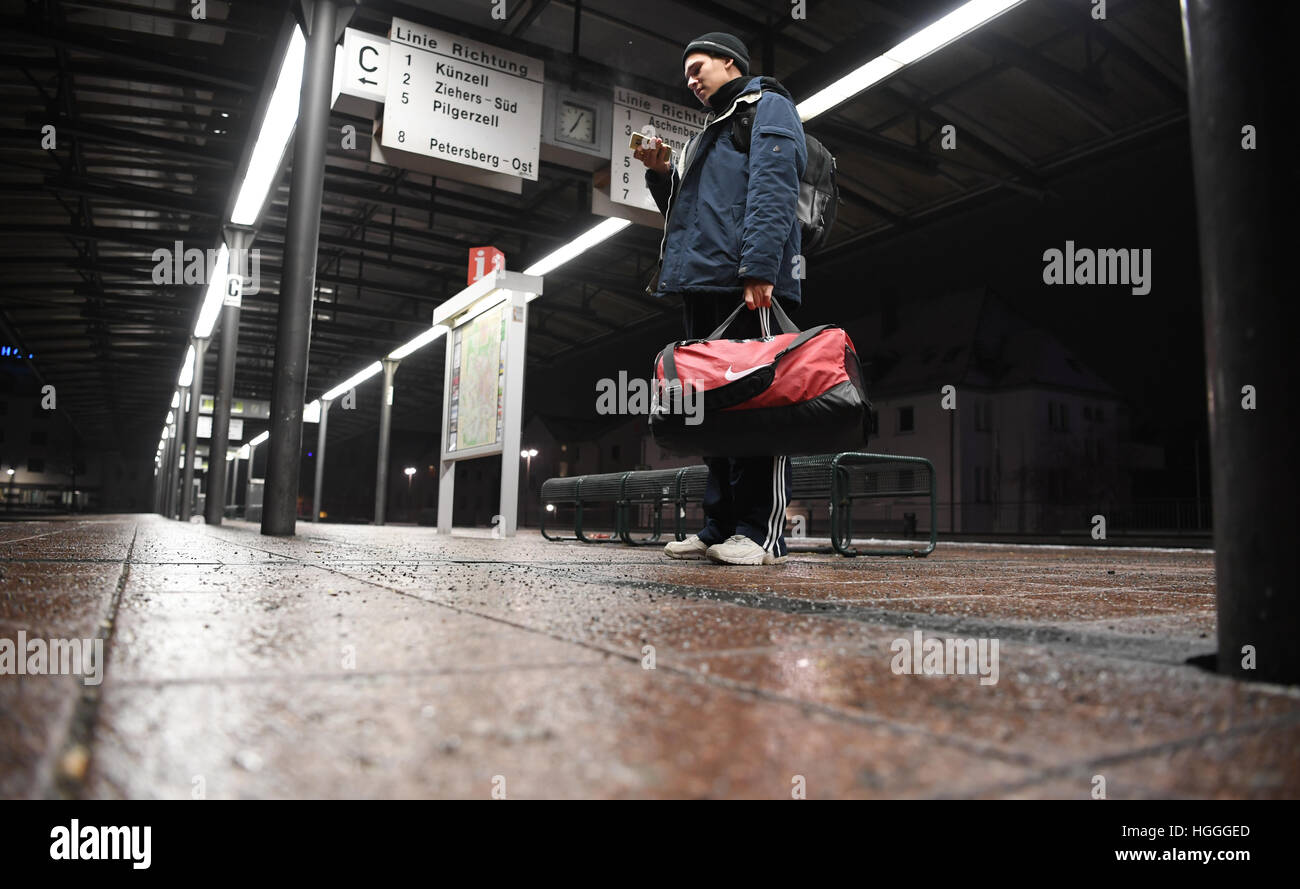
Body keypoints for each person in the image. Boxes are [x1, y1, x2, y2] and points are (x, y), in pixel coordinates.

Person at [634, 32, 807, 566]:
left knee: (758, 406)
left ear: (731, 63)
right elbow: (685, 216)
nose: (690, 79)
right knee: (711, 411)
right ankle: (718, 527)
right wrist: (662, 173)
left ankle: (761, 534)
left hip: (746, 283)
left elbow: (775, 184)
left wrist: (759, 267)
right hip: (704, 284)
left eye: (698, 67)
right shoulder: (708, 133)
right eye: (686, 73)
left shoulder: (767, 106)